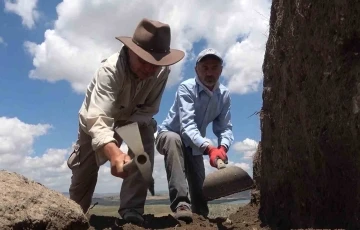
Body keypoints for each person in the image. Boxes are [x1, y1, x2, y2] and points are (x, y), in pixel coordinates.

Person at [67, 18, 185, 225]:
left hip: (134, 118)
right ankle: (73, 217)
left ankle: (132, 211)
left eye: (155, 63)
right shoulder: (110, 70)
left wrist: (132, 144)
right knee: (83, 176)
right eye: (144, 62)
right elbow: (97, 119)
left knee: (143, 145)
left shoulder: (161, 71)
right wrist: (113, 152)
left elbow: (149, 109)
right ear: (131, 51)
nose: (150, 70)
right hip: (97, 120)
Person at [155, 48, 234, 221]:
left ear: (221, 70)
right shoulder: (187, 88)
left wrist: (222, 147)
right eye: (205, 67)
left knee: (199, 188)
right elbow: (187, 126)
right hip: (169, 134)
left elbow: (225, 127)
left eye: (214, 68)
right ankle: (181, 204)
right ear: (196, 69)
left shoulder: (224, 95)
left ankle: (201, 216)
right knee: (173, 139)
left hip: (194, 144)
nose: (209, 72)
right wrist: (209, 149)